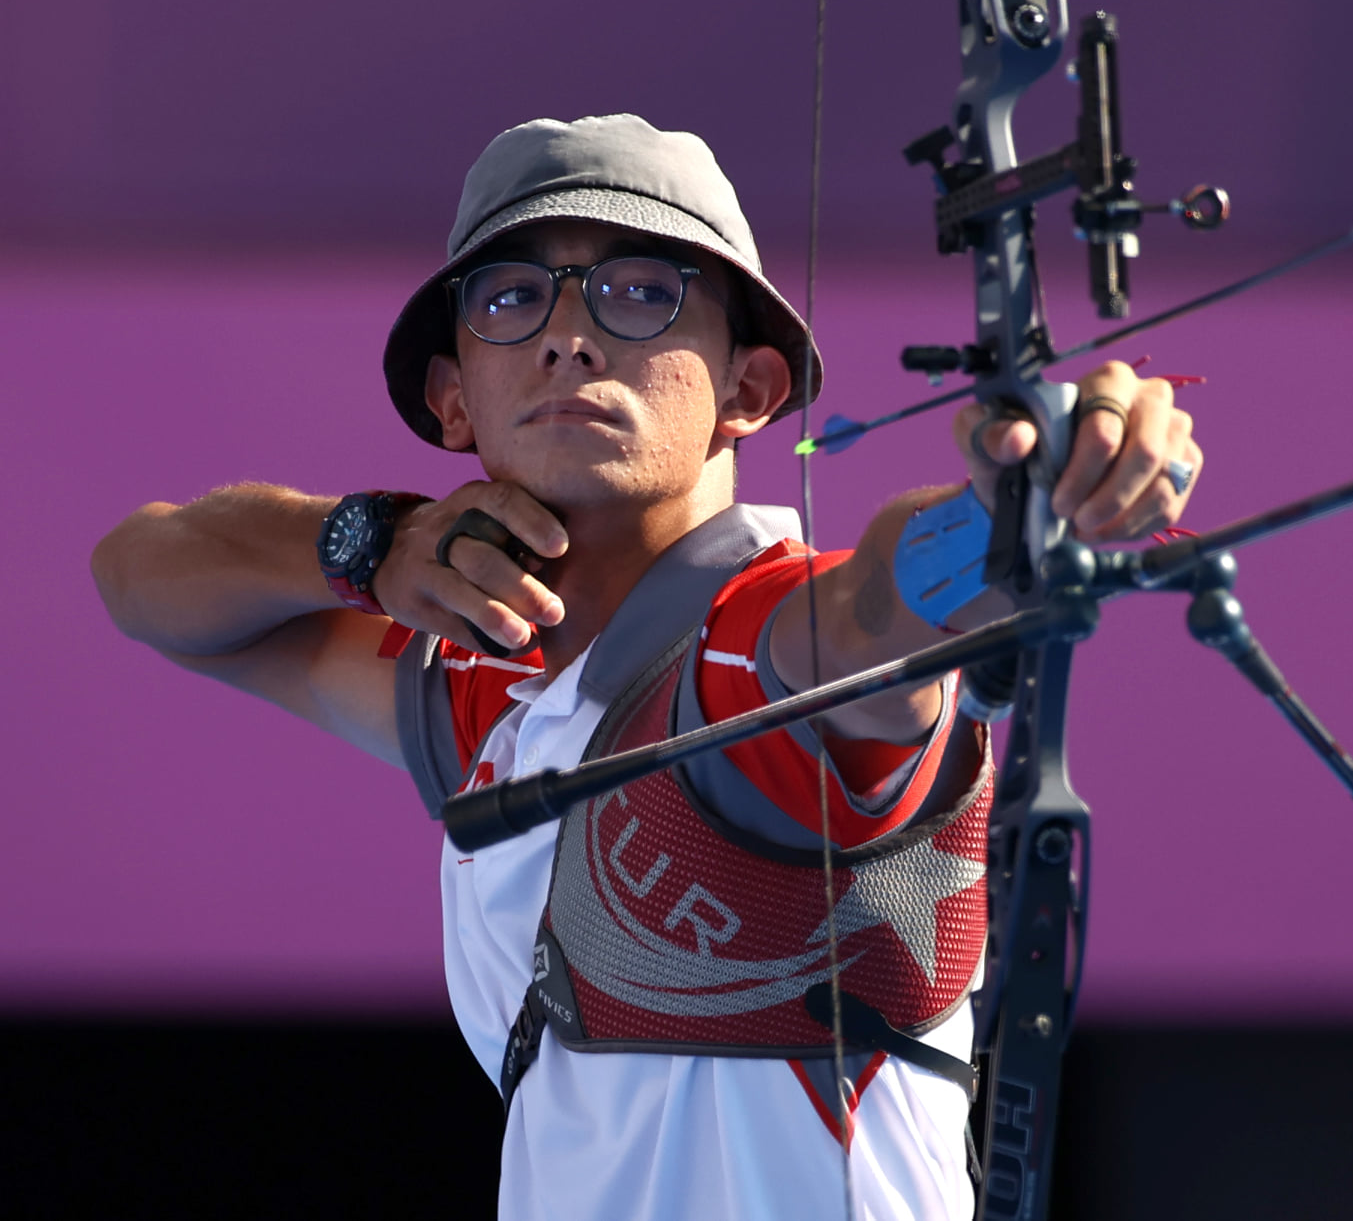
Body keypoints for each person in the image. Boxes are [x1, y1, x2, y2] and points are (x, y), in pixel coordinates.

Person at [91, 114, 1203, 1220]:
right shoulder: (481, 684)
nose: (567, 336)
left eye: (639, 291)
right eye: (511, 296)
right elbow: (141, 575)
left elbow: (887, 599)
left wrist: (1032, 496)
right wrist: (369, 544)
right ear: (452, 400)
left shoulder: (772, 647)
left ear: (750, 389)